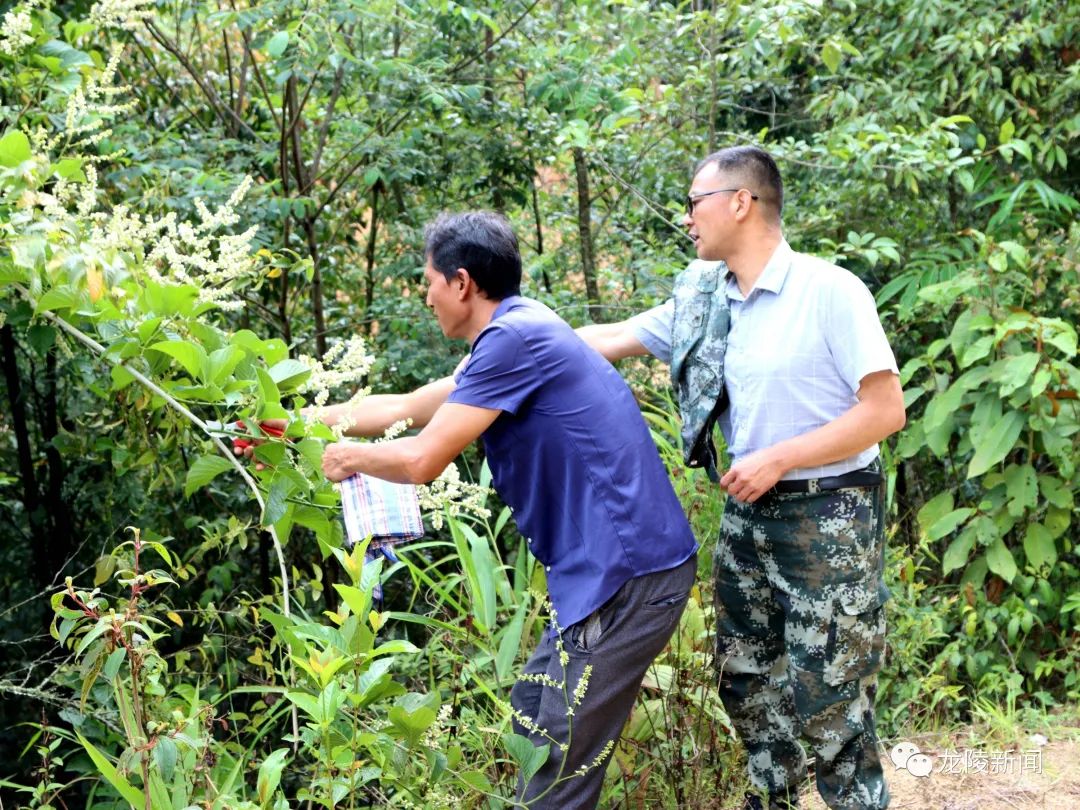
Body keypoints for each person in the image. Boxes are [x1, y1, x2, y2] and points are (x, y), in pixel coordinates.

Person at [268, 212, 699, 809]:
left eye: (429, 282)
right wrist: (287, 423)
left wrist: (348, 459)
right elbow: (412, 405)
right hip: (610, 574)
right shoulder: (517, 334)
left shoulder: (513, 341)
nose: (426, 296)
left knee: (557, 766)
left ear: (462, 282)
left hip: (627, 574)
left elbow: (422, 459)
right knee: (532, 720)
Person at [577, 145, 905, 810]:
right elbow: (607, 337)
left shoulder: (830, 291)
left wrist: (782, 457)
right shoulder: (707, 303)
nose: (687, 220)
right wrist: (508, 338)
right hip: (749, 516)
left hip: (831, 514)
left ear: (739, 202)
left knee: (829, 691)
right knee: (745, 676)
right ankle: (771, 800)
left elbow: (885, 411)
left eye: (694, 202)